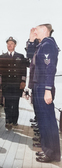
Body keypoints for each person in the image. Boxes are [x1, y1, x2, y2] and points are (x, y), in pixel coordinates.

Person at [33, 23, 61, 163]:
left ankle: (52, 154)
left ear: (45, 30)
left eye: (37, 30)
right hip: (40, 86)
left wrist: (48, 90)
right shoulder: (43, 44)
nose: (35, 32)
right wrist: (31, 39)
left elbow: (50, 68)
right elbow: (31, 56)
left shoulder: (48, 45)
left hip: (44, 86)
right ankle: (48, 150)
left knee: (48, 121)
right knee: (43, 121)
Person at [0, 36, 26, 130]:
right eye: (8, 44)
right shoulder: (2, 57)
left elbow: (23, 70)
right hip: (7, 84)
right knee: (7, 103)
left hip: (16, 84)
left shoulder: (20, 56)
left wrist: (23, 81)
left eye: (11, 44)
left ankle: (14, 121)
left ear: (15, 45)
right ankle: (8, 121)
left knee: (15, 103)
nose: (9, 45)